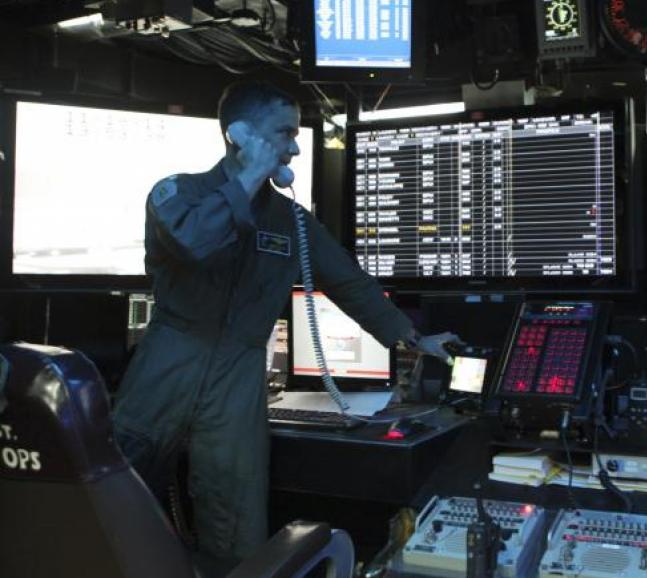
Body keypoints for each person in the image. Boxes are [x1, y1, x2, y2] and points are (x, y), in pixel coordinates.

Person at [112, 81, 459, 576]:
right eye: (284, 133)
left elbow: (351, 283)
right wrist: (248, 178)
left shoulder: (291, 221)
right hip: (168, 361)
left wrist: (413, 338)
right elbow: (196, 243)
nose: (294, 148)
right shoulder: (179, 194)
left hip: (239, 375)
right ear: (240, 135)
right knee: (116, 496)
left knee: (235, 515)